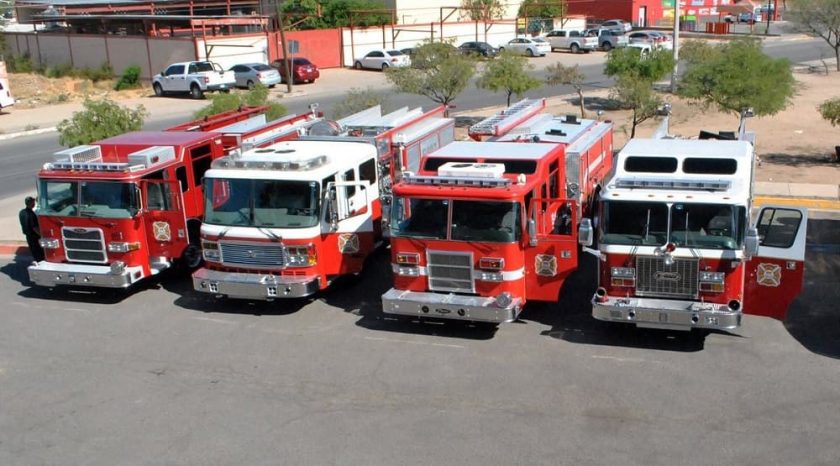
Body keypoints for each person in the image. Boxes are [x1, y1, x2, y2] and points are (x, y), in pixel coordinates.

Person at [19, 196, 45, 261]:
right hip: (34, 237)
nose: (34, 203)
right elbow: (34, 228)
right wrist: (42, 235)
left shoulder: (21, 212)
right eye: (33, 202)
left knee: (34, 252)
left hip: (28, 237)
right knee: (39, 253)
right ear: (31, 203)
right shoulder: (31, 214)